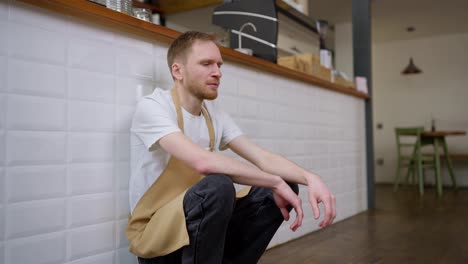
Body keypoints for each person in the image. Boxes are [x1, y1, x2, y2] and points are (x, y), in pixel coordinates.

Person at [126, 31, 336, 264]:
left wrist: (310, 178)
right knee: (219, 185)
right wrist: (273, 180)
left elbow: (263, 158)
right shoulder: (153, 107)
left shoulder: (214, 115)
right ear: (178, 71)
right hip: (158, 241)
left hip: (198, 242)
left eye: (219, 64)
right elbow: (203, 162)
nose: (217, 72)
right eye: (206, 64)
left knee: (281, 186)